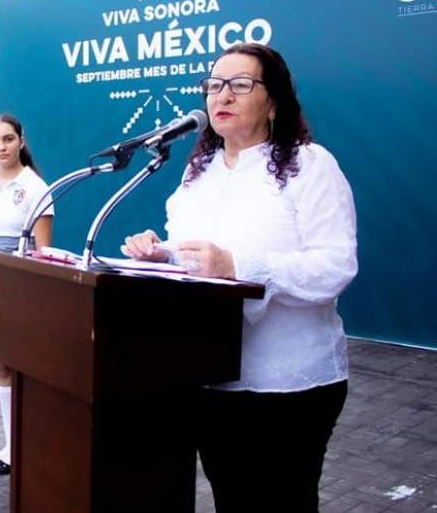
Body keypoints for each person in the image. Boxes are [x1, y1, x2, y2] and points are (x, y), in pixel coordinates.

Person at [121, 43, 358, 512]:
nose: (221, 96)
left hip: (290, 386)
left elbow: (336, 265)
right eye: (213, 86)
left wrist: (239, 266)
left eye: (240, 85)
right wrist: (160, 254)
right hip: (210, 376)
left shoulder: (311, 166)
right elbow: (193, 257)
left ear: (274, 101)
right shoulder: (198, 172)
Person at [0, 114, 53, 476]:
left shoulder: (36, 187)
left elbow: (44, 250)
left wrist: (33, 297)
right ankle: (11, 444)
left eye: (7, 139)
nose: (1, 147)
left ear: (21, 140)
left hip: (23, 283)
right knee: (1, 363)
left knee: (22, 364)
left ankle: (28, 443)